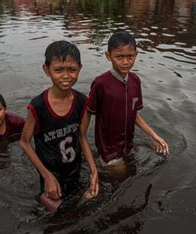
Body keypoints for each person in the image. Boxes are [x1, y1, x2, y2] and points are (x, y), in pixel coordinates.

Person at [19, 40, 99, 212]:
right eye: (58, 70)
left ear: (79, 68)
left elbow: (82, 136)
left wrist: (94, 171)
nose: (65, 76)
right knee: (56, 217)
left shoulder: (82, 101)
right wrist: (46, 175)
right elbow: (24, 142)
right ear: (46, 70)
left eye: (71, 70)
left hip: (74, 170)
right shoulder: (38, 106)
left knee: (83, 207)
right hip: (51, 174)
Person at [87, 31, 169, 167]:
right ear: (108, 56)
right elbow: (88, 112)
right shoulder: (100, 84)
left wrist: (153, 135)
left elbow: (133, 113)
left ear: (136, 55)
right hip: (109, 151)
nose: (125, 62)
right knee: (126, 177)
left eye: (130, 56)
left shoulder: (135, 81)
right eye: (119, 57)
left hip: (128, 146)